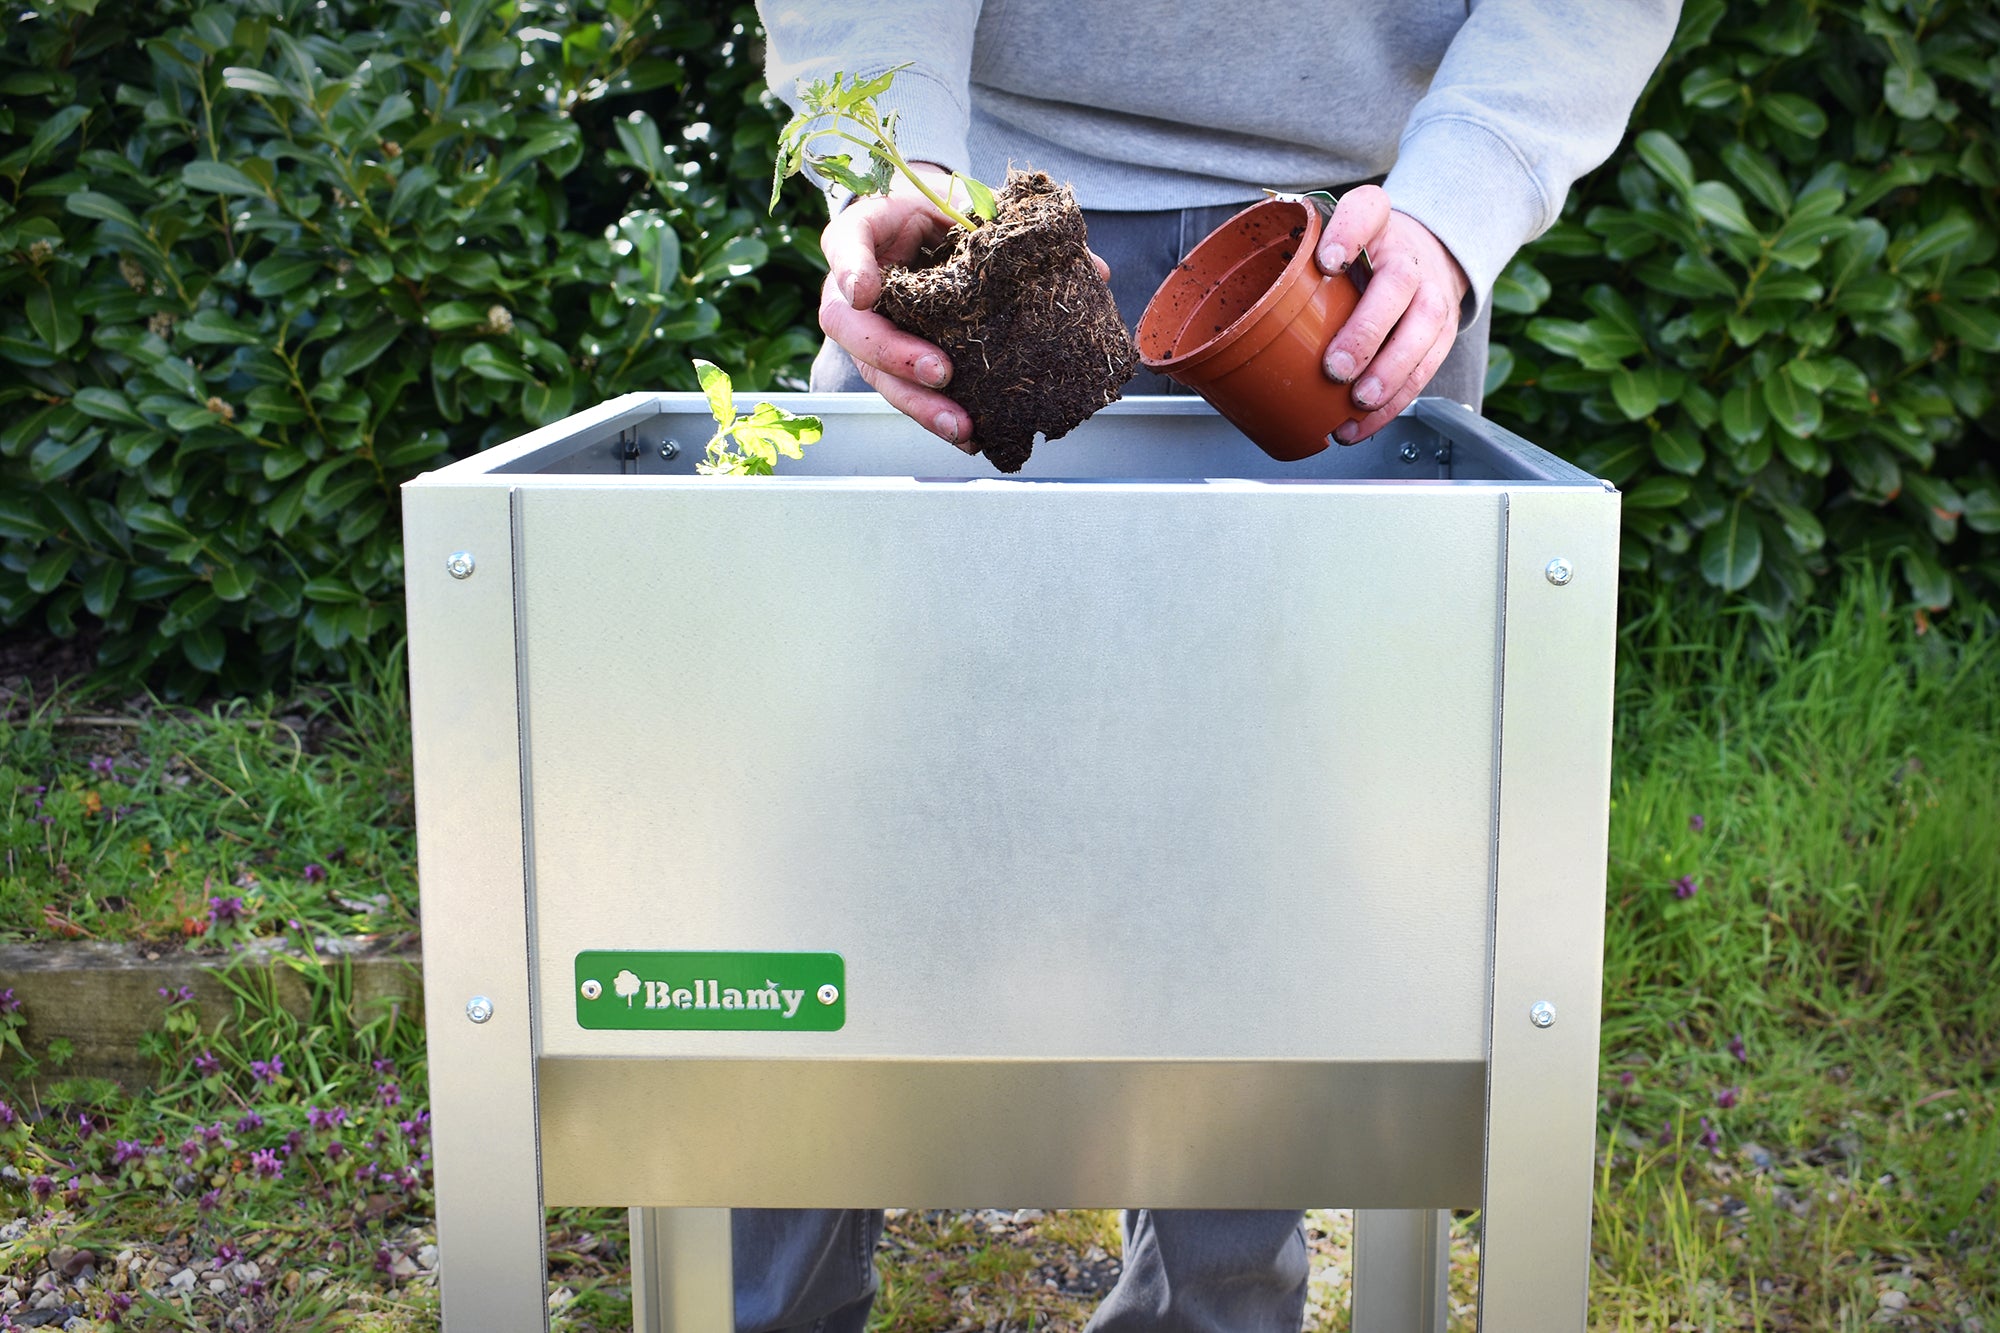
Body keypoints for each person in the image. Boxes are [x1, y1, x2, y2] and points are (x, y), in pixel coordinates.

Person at [737, 3, 1682, 1329]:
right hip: (988, 227)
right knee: (820, 867)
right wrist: (888, 161)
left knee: (1259, 889)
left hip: (1339, 274)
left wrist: (1465, 185)